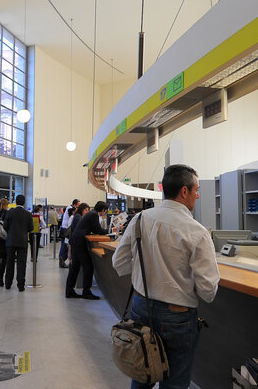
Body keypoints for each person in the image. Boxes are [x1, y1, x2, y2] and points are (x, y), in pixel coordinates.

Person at [112, 164, 220, 389]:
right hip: (178, 318)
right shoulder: (197, 232)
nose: (198, 195)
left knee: (142, 374)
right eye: (196, 190)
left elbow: (119, 263)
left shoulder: (140, 219)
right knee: (175, 383)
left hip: (141, 307)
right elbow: (208, 291)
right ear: (184, 191)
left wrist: (146, 274)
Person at [64, 202, 107, 299]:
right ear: (103, 209)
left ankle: (69, 290)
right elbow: (98, 230)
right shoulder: (94, 215)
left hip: (76, 240)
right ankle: (86, 292)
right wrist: (110, 231)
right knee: (88, 266)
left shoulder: (91, 214)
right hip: (79, 242)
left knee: (75, 267)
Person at [3, 194, 33, 291]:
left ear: (16, 202)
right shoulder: (28, 214)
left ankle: (8, 283)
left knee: (10, 262)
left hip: (11, 241)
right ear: (24, 202)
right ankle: (20, 285)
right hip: (22, 241)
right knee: (21, 263)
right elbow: (31, 228)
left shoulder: (10, 213)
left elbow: (5, 226)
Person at [59, 199, 80, 268]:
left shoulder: (69, 208)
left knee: (64, 246)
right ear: (75, 205)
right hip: (66, 230)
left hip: (65, 229)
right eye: (78, 205)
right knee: (64, 246)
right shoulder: (71, 210)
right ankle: (61, 260)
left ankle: (61, 260)